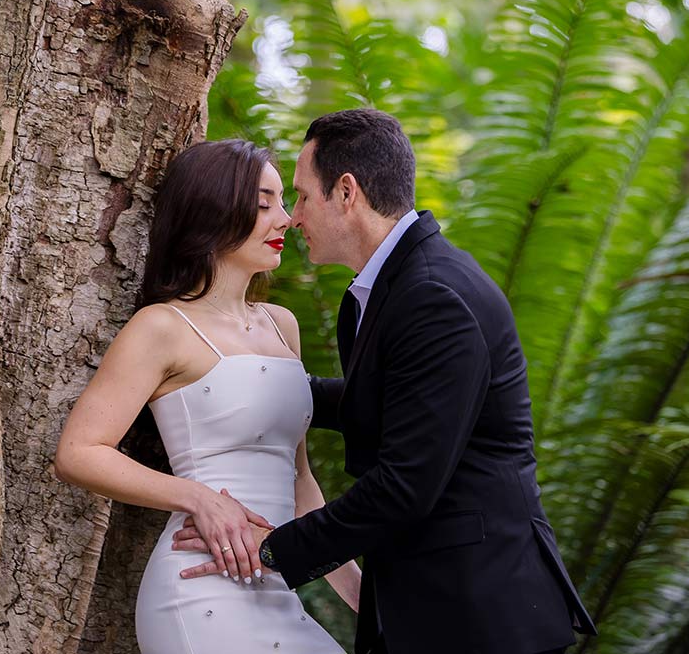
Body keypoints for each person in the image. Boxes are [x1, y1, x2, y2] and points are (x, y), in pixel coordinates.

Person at [173, 109, 598, 654]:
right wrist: (241, 384)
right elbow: (377, 405)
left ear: (346, 193)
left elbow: (404, 486)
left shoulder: (433, 295)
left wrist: (272, 548)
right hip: (432, 607)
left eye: (301, 196)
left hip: (477, 615)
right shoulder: (381, 291)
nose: (293, 217)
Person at [54, 139, 360, 653]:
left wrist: (361, 594)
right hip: (198, 591)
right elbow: (78, 453)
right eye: (264, 204)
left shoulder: (281, 326)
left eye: (284, 202)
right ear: (213, 210)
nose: (284, 219)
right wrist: (199, 499)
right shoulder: (162, 327)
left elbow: (299, 479)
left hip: (273, 584)